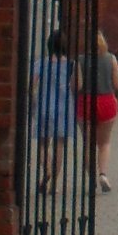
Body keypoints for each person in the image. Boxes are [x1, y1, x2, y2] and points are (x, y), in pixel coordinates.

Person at [32, 29, 75, 196]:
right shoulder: (71, 64)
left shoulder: (41, 63)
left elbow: (33, 85)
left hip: (44, 105)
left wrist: (33, 98)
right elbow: (76, 86)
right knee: (59, 146)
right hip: (64, 108)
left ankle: (47, 169)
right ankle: (53, 185)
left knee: (43, 145)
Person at [79, 30, 118, 191]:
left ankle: (90, 178)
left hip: (87, 101)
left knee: (88, 143)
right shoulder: (111, 59)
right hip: (106, 101)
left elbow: (77, 85)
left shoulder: (81, 60)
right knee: (104, 143)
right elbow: (117, 85)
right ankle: (103, 174)